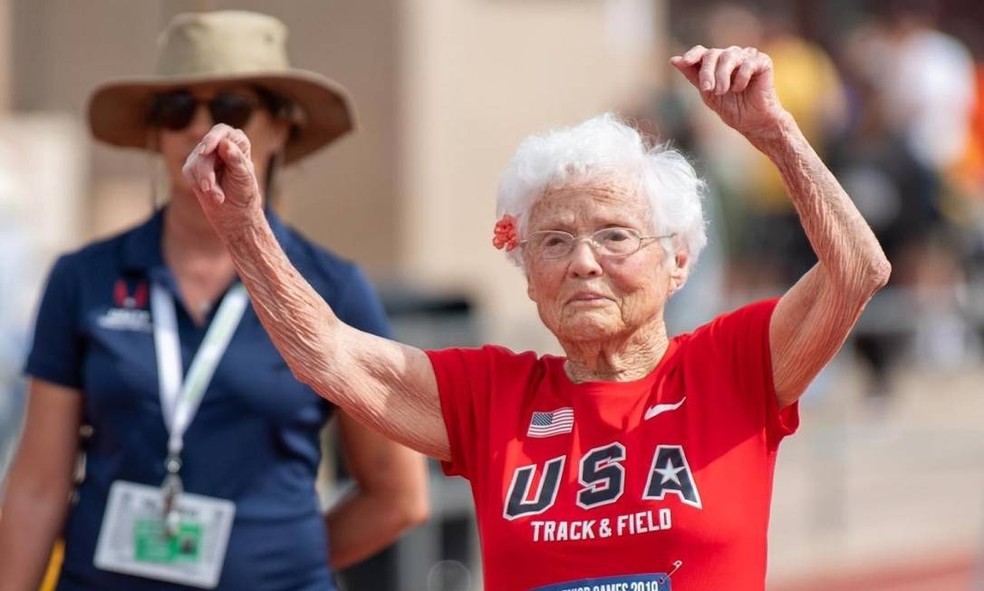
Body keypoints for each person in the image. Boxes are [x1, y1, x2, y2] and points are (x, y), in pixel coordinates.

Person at [183, 45, 890, 590]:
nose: (583, 261)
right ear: (528, 276)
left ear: (679, 261)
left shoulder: (731, 365)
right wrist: (242, 226)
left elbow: (857, 269)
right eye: (554, 241)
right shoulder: (492, 396)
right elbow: (329, 356)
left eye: (614, 234)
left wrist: (773, 133)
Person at [0, 10, 428, 591]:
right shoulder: (83, 278)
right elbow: (35, 485)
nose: (202, 127)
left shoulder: (333, 288)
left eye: (230, 108)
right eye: (177, 108)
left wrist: (280, 559)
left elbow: (398, 495)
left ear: (281, 129)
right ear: (155, 132)